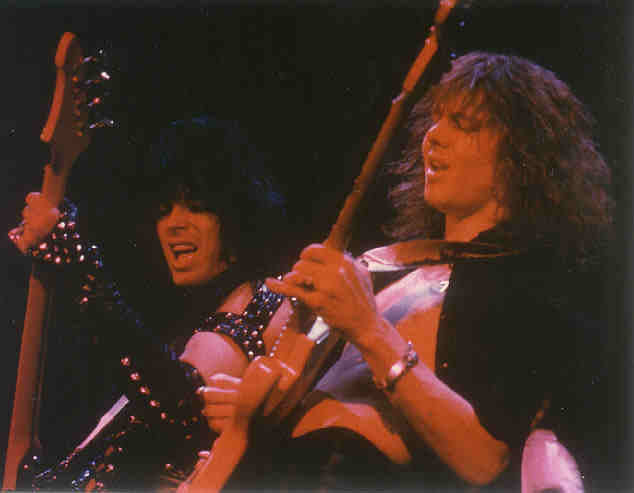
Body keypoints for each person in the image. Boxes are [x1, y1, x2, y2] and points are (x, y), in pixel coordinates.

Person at [196, 52, 614, 491]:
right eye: (436, 119)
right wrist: (255, 411)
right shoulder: (387, 267)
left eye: (463, 124)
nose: (434, 136)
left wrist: (369, 329)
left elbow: (486, 460)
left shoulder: (532, 286)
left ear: (520, 156)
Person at [8, 116, 291, 490]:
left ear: (238, 214)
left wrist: (77, 261)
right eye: (164, 210)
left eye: (196, 207)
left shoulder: (266, 300)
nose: (174, 223)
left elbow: (180, 408)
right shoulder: (186, 332)